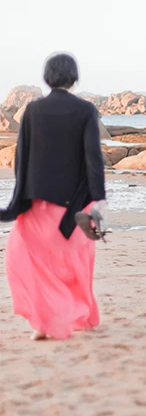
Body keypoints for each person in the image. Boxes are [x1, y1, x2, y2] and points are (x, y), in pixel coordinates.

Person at [1, 53, 107, 340]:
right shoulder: (85, 109)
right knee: (72, 263)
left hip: (38, 200)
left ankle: (49, 321)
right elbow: (93, 157)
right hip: (76, 203)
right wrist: (98, 197)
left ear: (47, 77)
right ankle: (64, 318)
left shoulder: (33, 110)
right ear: (74, 78)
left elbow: (21, 158)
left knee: (26, 259)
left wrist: (17, 200)